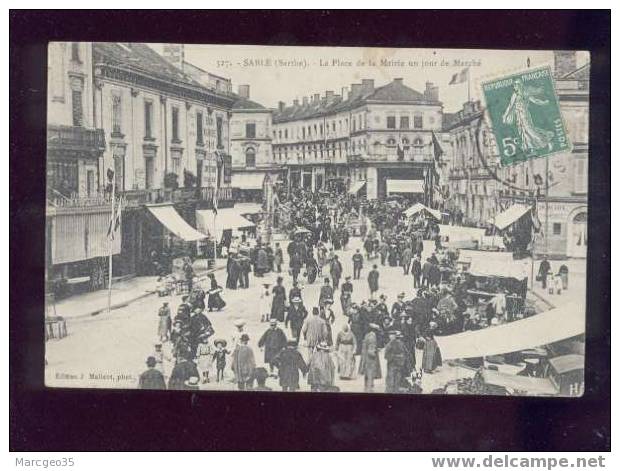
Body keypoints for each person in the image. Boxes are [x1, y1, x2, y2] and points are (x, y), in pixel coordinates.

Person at [359, 323, 382, 392]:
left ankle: (366, 386)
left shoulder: (367, 335)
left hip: (365, 356)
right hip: (370, 358)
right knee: (370, 371)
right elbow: (371, 349)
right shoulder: (372, 336)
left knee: (367, 371)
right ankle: (370, 387)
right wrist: (374, 353)